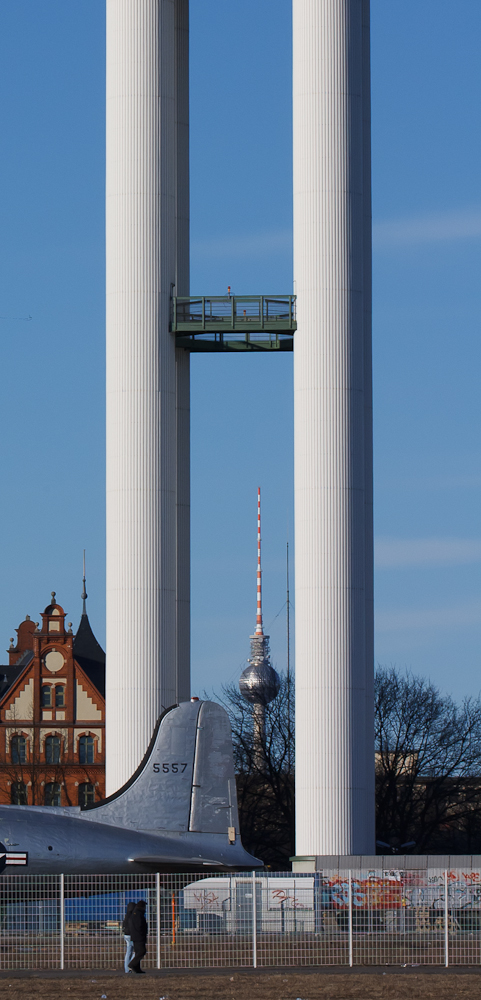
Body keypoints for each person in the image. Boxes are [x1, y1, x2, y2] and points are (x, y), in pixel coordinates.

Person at [128, 899, 148, 974]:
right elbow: (139, 925)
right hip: (139, 936)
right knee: (142, 951)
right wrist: (142, 933)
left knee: (137, 952)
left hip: (136, 936)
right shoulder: (138, 914)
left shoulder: (135, 913)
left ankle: (137, 968)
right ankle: (132, 964)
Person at [122, 901, 135, 973]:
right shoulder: (133, 916)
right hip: (132, 935)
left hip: (126, 935)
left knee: (129, 951)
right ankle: (131, 965)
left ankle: (127, 968)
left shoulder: (126, 916)